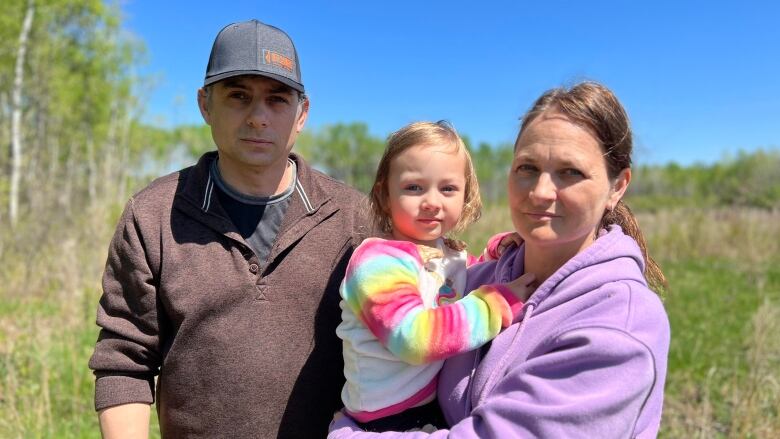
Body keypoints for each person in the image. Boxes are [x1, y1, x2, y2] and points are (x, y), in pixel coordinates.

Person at [329, 81, 671, 438]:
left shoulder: (618, 326)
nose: (540, 192)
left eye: (571, 172)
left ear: (617, 186)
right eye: (527, 167)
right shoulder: (483, 279)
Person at [89, 19, 370, 437]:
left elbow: (402, 338)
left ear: (302, 114)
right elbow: (124, 362)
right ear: (206, 104)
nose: (258, 117)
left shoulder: (353, 218)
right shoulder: (154, 215)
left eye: (277, 99)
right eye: (238, 96)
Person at [336, 121, 534, 432]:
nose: (432, 201)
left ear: (465, 196)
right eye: (414, 187)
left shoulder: (449, 255)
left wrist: (499, 253)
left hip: (427, 406)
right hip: (384, 417)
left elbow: (460, 280)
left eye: (448, 188)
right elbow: (413, 338)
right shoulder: (379, 261)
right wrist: (494, 305)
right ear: (385, 195)